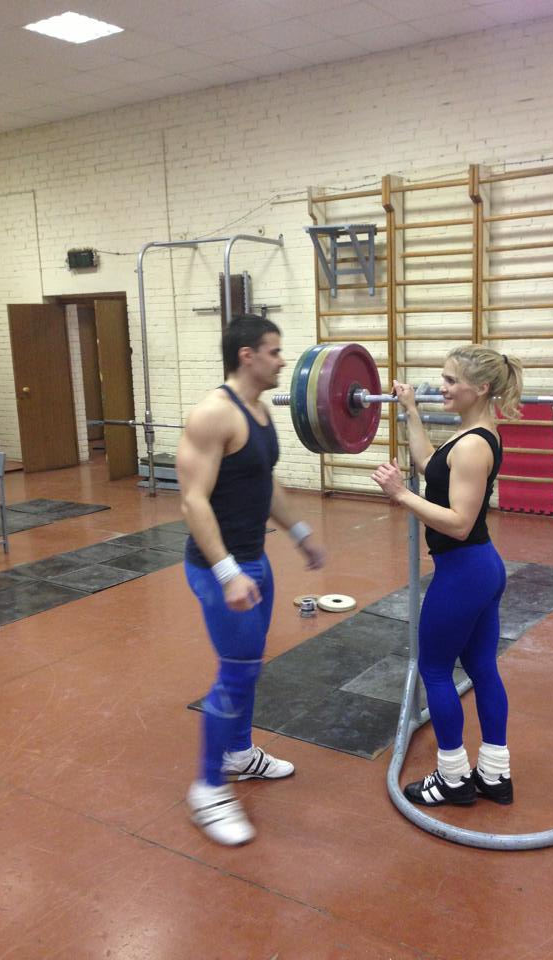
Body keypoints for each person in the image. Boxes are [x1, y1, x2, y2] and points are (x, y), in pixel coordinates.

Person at [177, 315, 325, 845]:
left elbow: (265, 482)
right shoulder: (213, 414)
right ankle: (208, 788)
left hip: (254, 560)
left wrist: (300, 532)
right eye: (274, 351)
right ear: (247, 355)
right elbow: (193, 501)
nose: (282, 360)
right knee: (236, 674)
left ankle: (238, 754)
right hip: (219, 568)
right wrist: (228, 573)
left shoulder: (259, 411)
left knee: (249, 669)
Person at [371, 345, 523, 808]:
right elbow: (430, 466)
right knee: (481, 668)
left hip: (464, 573)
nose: (442, 387)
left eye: (451, 380)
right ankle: (495, 774)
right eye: (443, 378)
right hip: (478, 569)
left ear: (482, 388)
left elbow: (458, 522)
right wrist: (411, 411)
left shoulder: (474, 445)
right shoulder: (471, 434)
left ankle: (453, 778)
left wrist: (400, 495)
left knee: (435, 669)